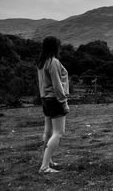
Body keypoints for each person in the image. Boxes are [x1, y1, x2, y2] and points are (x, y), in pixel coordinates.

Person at [37, 36, 70, 173]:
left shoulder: (42, 62)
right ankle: (45, 167)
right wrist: (64, 102)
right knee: (58, 133)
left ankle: (48, 161)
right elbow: (57, 86)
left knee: (48, 132)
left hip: (45, 99)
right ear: (55, 47)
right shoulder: (54, 62)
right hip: (55, 100)